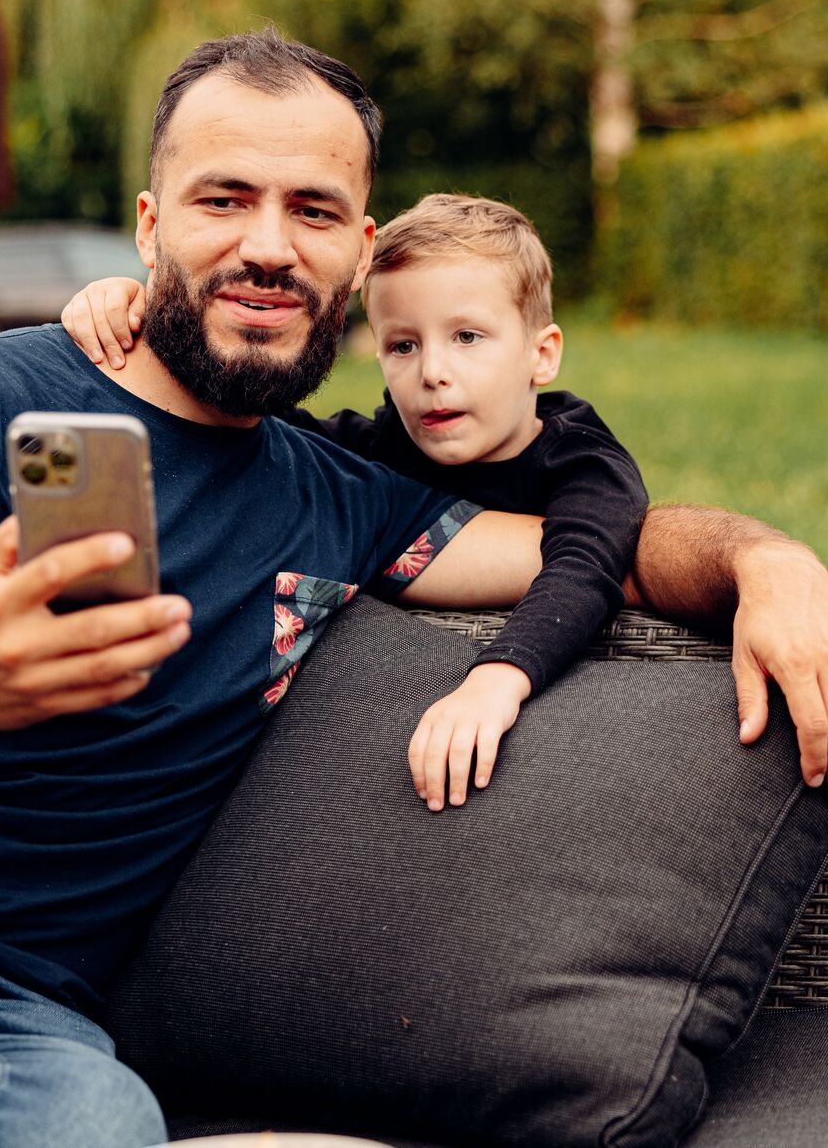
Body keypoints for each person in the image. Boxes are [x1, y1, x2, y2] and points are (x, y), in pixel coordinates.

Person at [0, 29, 828, 1148]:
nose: (267, 245)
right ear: (150, 227)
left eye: (312, 210)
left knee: (103, 1125)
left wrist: (770, 563)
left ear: (360, 254)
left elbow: (614, 541)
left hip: (5, 1023)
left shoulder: (341, 496)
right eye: (222, 199)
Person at [61, 193, 648, 812]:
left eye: (467, 336)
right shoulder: (380, 446)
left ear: (542, 353)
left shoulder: (584, 463)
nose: (432, 372)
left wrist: (497, 680)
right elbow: (256, 424)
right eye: (402, 346)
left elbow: (586, 564)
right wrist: (140, 314)